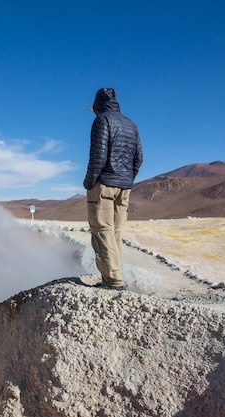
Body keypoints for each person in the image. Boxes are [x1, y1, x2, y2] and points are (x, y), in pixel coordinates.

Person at [83, 87, 143, 290]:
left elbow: (98, 156)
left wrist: (89, 182)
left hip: (105, 184)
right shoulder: (131, 124)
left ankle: (113, 280)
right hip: (124, 187)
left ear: (98, 107)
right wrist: (127, 179)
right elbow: (139, 158)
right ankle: (114, 276)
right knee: (115, 232)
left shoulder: (102, 121)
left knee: (102, 230)